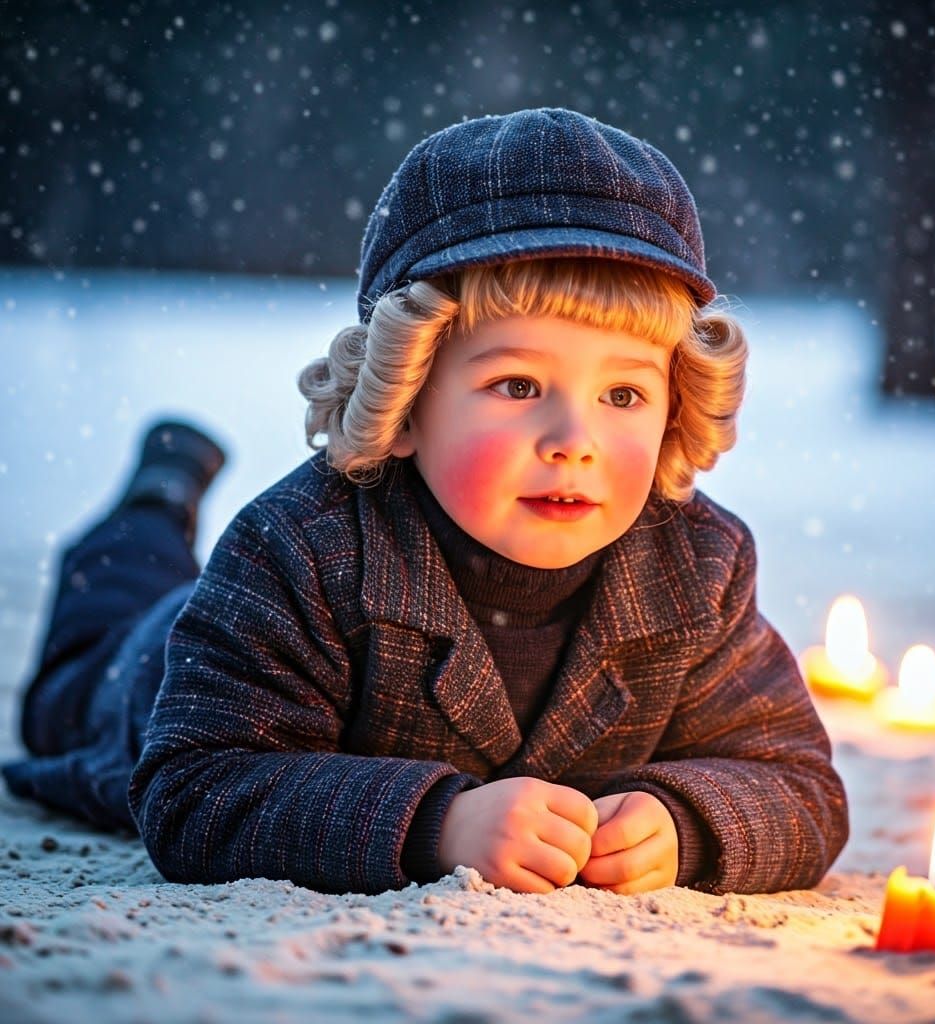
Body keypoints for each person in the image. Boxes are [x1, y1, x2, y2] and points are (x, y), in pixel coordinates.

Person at [3, 108, 848, 897]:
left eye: (622, 396)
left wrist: (688, 823)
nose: (573, 438)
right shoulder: (300, 546)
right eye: (518, 384)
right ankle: (155, 501)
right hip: (147, 673)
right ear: (404, 402)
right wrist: (434, 823)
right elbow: (196, 790)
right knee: (96, 640)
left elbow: (800, 784)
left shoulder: (697, 567)